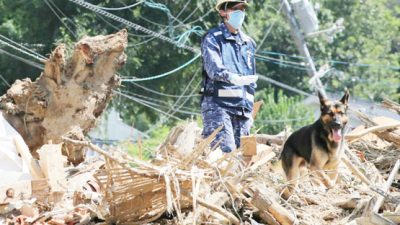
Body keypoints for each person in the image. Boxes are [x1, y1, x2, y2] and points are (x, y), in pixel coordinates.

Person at [200, 0, 258, 153]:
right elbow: (213, 69)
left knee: (244, 158)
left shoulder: (248, 43)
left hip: (242, 110)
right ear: (222, 12)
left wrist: (250, 112)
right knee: (224, 154)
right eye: (235, 8)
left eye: (242, 8)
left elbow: (251, 84)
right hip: (219, 106)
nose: (240, 12)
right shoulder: (213, 38)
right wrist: (232, 78)